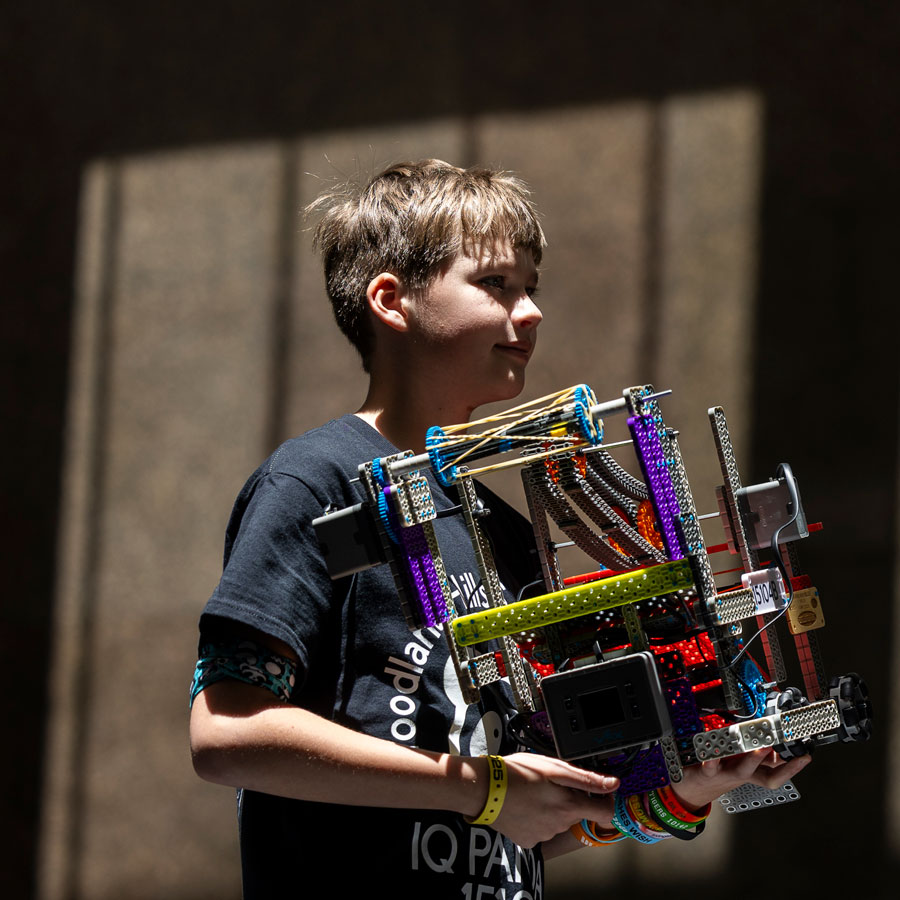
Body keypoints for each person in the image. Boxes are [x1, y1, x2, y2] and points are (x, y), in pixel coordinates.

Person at [189, 159, 810, 897]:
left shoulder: (503, 529)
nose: (533, 311)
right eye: (497, 284)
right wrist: (481, 787)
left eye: (531, 288)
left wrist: (682, 792)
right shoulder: (317, 481)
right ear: (392, 300)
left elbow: (525, 819)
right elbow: (227, 734)